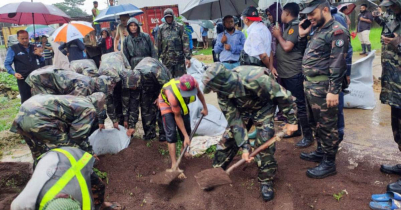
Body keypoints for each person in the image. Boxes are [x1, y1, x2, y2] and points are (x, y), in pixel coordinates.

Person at [202, 63, 298, 201]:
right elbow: (235, 122)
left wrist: (292, 120)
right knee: (227, 140)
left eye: (214, 88)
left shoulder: (256, 78)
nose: (214, 92)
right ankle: (216, 172)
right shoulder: (222, 95)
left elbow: (284, 96)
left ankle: (266, 180)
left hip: (263, 106)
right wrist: (245, 147)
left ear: (223, 83)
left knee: (265, 140)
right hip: (242, 111)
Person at [298, 0, 349, 179]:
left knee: (327, 125)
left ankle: (329, 162)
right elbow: (311, 55)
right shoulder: (318, 29)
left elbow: (338, 63)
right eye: (307, 15)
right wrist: (302, 35)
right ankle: (320, 151)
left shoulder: (337, 31)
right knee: (315, 123)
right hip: (311, 86)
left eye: (312, 14)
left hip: (324, 87)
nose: (309, 18)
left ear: (325, 10)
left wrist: (334, 90)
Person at [11, 147, 122, 210]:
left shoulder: (83, 199)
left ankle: (102, 206)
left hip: (73, 158)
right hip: (47, 161)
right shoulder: (20, 204)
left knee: (98, 185)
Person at [10, 93, 107, 161]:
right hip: (39, 121)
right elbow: (77, 136)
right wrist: (89, 153)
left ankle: (39, 176)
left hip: (21, 117)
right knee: (70, 149)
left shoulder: (77, 99)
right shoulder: (89, 109)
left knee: (38, 153)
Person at [271, 3, 313, 148]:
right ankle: (296, 129)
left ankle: (308, 136)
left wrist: (277, 35)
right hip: (287, 71)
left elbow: (287, 47)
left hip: (293, 72)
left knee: (300, 104)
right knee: (293, 104)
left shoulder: (295, 26)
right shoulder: (289, 27)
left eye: (282, 12)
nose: (280, 15)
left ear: (287, 13)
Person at [373, 0, 401, 193]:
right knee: (398, 130)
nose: (390, 8)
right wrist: (378, 16)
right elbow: (386, 22)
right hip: (394, 87)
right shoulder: (393, 16)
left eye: (393, 5)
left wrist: (397, 43)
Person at [158, 74, 208, 170]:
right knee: (171, 132)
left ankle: (183, 151)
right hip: (166, 103)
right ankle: (174, 164)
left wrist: (205, 108)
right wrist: (185, 136)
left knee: (187, 128)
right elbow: (177, 116)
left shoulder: (194, 83)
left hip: (180, 102)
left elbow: (199, 94)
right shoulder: (172, 94)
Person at [123, 58, 169, 141]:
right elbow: (134, 105)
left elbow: (167, 85)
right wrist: (132, 125)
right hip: (147, 87)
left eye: (134, 88)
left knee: (162, 107)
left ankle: (164, 134)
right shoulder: (133, 83)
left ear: (138, 82)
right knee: (146, 108)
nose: (133, 90)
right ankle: (150, 134)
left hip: (162, 83)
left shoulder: (152, 71)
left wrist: (161, 97)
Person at [4, 30, 44, 103]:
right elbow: (7, 64)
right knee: (26, 99)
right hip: (23, 78)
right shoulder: (13, 48)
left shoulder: (34, 47)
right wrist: (14, 73)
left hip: (35, 77)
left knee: (38, 98)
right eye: (22, 38)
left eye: (26, 38)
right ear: (18, 38)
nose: (25, 40)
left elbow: (42, 62)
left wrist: (40, 55)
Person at [26, 68, 115, 97]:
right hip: (40, 78)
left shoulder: (89, 79)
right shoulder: (86, 86)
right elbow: (72, 101)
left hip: (42, 73)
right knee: (45, 104)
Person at [157, 8, 191, 78]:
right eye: (167, 17)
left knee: (181, 79)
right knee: (168, 79)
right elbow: (158, 44)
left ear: (173, 16)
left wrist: (187, 57)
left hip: (179, 59)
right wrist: (156, 58)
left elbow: (185, 42)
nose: (169, 19)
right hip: (166, 60)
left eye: (170, 17)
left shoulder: (180, 27)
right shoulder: (161, 28)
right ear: (164, 18)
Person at [242, 6, 274, 70]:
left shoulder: (254, 33)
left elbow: (263, 56)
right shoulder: (264, 27)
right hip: (264, 65)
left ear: (246, 20)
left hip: (257, 67)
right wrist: (271, 66)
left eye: (242, 18)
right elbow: (269, 50)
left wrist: (270, 68)